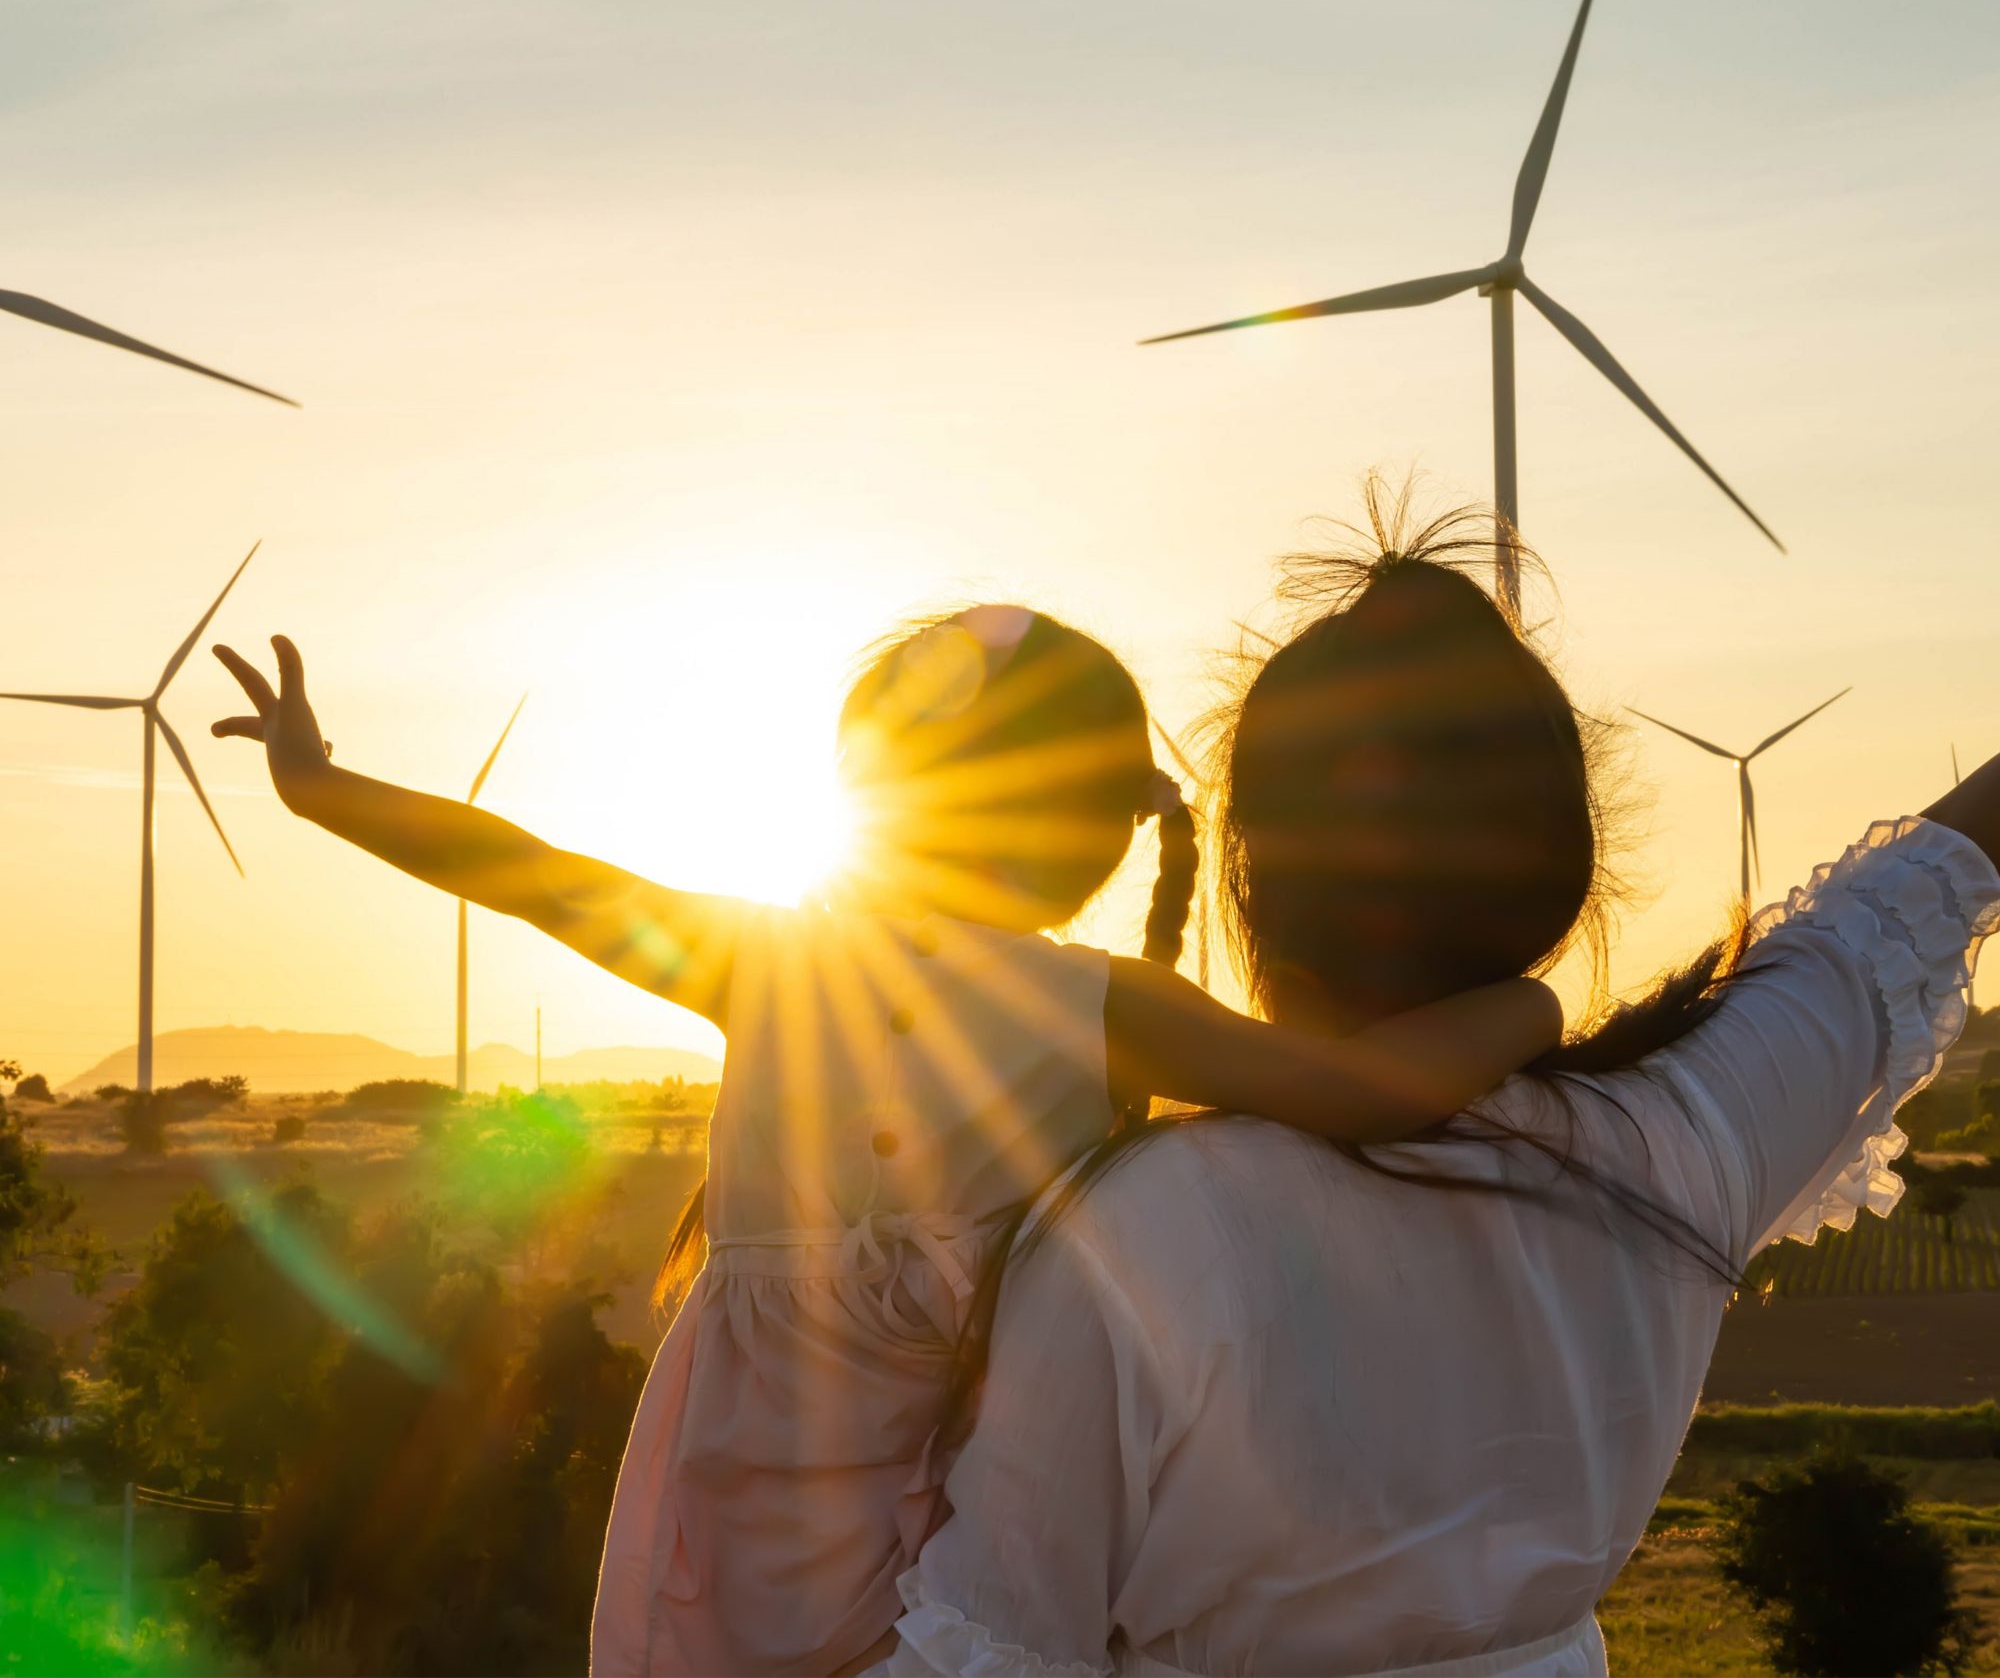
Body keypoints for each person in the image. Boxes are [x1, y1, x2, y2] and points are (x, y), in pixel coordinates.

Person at [211, 602, 1560, 1677]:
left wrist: (321, 786)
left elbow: (529, 875)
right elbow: (1358, 1090)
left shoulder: (767, 957)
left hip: (759, 1492)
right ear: (1091, 827)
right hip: (959, 1510)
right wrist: (1530, 1002)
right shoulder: (1098, 1005)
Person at [871, 503, 2000, 1678]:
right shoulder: (1679, 1137)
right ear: (1561, 868)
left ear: (1252, 875)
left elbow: (993, 1648)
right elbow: (1895, 910)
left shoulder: (1135, 1236)